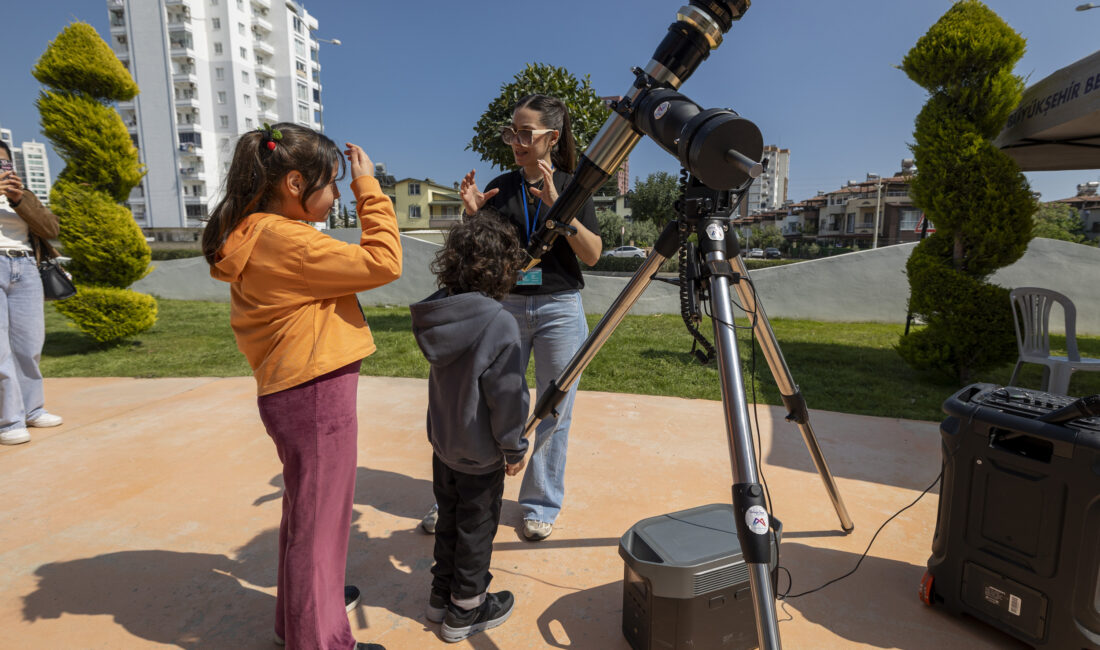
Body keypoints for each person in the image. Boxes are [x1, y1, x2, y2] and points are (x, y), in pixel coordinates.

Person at [203, 124, 400, 650]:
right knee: (320, 525)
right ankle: (321, 642)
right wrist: (369, 189)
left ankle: (297, 628)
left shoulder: (256, 232)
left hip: (293, 389)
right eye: (330, 183)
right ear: (294, 182)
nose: (336, 194)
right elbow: (385, 262)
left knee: (305, 516)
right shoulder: (288, 241)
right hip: (315, 391)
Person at [427, 94, 600, 542]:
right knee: (484, 400)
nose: (516, 142)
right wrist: (473, 214)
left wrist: (561, 210)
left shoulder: (574, 185)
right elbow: (486, 249)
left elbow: (594, 254)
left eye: (526, 133)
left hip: (559, 307)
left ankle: (540, 502)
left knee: (552, 408)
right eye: (512, 133)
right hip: (503, 306)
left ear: (552, 137)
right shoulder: (501, 186)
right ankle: (465, 493)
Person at [409, 210, 530, 643]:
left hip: (444, 446)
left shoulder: (441, 312)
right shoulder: (499, 323)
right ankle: (466, 609)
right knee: (476, 529)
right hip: (480, 454)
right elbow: (508, 398)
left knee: (449, 522)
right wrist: (514, 448)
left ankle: (440, 597)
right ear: (502, 269)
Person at [0, 140, 64, 446]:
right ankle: (8, 419)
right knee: (0, 351)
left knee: (29, 344)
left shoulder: (22, 195)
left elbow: (51, 228)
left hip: (24, 266)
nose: (2, 170)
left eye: (4, 163)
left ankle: (32, 409)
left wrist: (19, 200)